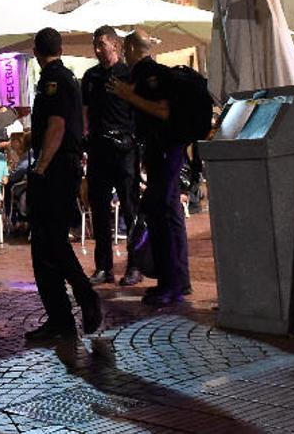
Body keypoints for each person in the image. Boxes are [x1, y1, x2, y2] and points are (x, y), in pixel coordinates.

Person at [24, 28, 102, 342]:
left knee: (51, 241)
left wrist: (41, 168)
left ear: (35, 51)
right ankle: (60, 318)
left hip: (56, 169)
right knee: (43, 246)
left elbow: (56, 126)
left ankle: (85, 296)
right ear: (61, 47)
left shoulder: (54, 81)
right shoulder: (61, 78)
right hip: (60, 166)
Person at [107, 29, 191, 306]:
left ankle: (171, 285)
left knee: (161, 216)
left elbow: (163, 110)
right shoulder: (150, 73)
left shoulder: (149, 74)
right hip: (163, 154)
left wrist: (128, 95)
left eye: (125, 49)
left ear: (131, 48)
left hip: (166, 154)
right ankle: (176, 281)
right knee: (167, 215)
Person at [81, 26, 142, 287]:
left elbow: (139, 111)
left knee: (130, 209)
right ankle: (103, 267)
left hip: (125, 149)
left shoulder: (129, 75)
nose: (97, 50)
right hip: (98, 149)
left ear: (115, 46)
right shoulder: (90, 76)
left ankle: (135, 265)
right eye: (95, 45)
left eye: (102, 45)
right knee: (100, 211)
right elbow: (84, 112)